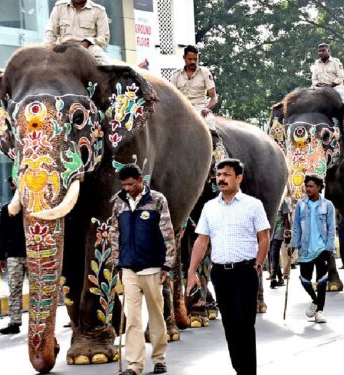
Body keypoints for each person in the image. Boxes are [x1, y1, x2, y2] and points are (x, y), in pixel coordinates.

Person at [187, 159, 270, 375]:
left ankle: (247, 371)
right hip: (220, 274)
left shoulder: (253, 205)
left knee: (244, 324)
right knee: (230, 325)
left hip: (246, 272)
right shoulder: (209, 207)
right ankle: (239, 368)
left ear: (239, 178)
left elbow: (264, 237)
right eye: (219, 174)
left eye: (227, 174)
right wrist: (191, 271)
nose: (221, 178)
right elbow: (201, 241)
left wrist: (258, 265)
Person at [108, 164, 175, 375]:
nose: (126, 188)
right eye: (124, 185)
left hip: (153, 268)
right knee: (133, 319)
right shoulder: (118, 202)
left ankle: (159, 359)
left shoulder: (157, 200)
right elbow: (114, 233)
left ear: (140, 180)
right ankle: (134, 365)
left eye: (130, 184)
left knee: (156, 316)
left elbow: (167, 233)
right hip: (128, 268)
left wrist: (167, 264)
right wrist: (117, 261)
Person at [290, 174, 336, 323]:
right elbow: (296, 226)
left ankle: (320, 312)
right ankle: (315, 300)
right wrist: (293, 244)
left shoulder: (327, 205)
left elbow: (331, 228)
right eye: (306, 186)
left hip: (322, 248)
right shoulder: (300, 205)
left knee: (322, 280)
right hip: (305, 248)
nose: (308, 189)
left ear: (319, 188)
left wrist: (329, 247)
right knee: (304, 279)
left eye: (311, 186)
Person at [0, 178, 27, 335]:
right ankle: (14, 322)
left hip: (32, 254)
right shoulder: (6, 210)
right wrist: (1, 256)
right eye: (12, 184)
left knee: (38, 291)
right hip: (14, 256)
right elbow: (2, 235)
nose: (13, 187)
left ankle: (38, 323)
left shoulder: (31, 209)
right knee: (14, 289)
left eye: (15, 183)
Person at [43, 0, 110, 64]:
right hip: (62, 47)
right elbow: (50, 32)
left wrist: (87, 42)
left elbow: (104, 37)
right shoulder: (59, 7)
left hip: (89, 48)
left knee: (107, 67)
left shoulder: (99, 11)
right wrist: (48, 48)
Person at [170, 45, 218, 126]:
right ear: (184, 57)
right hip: (182, 110)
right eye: (190, 59)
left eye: (195, 59)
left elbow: (214, 97)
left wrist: (207, 108)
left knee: (209, 122)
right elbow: (171, 97)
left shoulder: (205, 72)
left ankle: (215, 139)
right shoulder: (176, 75)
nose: (193, 62)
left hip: (200, 109)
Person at [268, 196, 291, 289]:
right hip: (269, 231)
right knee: (273, 255)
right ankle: (280, 278)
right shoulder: (267, 200)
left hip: (279, 230)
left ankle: (273, 277)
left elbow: (286, 218)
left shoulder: (283, 201)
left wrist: (288, 233)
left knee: (274, 252)